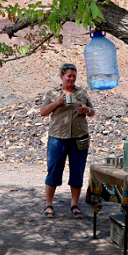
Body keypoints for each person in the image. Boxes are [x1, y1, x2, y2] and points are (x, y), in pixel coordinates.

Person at [39, 63, 96, 219]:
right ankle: (49, 205)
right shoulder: (52, 93)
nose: (72, 79)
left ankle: (75, 205)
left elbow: (93, 112)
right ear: (62, 77)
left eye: (74, 76)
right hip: (58, 138)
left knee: (77, 171)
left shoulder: (82, 93)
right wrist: (56, 103)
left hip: (79, 138)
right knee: (54, 170)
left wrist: (87, 110)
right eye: (69, 76)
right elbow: (42, 112)